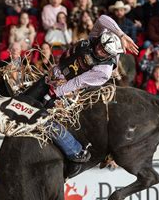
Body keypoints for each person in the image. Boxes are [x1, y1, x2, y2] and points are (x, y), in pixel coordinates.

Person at [28, 14, 138, 163]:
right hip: (56, 74)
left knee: (45, 119)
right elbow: (102, 19)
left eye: (104, 51)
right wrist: (122, 34)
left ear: (110, 55)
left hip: (71, 91)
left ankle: (75, 150)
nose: (99, 50)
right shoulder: (95, 38)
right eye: (100, 45)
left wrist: (54, 93)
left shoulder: (104, 70)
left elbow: (78, 82)